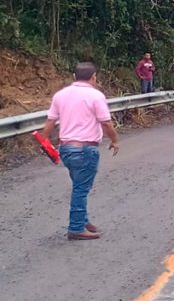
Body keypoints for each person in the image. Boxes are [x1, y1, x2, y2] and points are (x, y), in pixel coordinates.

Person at [39, 62, 120, 240]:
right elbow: (106, 122)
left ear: (75, 77)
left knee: (79, 184)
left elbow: (50, 121)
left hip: (66, 149)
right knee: (81, 188)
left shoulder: (60, 95)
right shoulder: (95, 96)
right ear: (93, 77)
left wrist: (43, 141)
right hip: (84, 149)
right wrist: (114, 140)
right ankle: (76, 227)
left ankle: (82, 220)